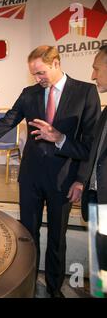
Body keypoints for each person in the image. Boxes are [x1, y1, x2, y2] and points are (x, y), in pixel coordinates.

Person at [0, 45, 101, 297]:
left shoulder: (85, 92)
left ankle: (55, 290)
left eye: (41, 73)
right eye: (34, 74)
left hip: (64, 180)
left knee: (57, 240)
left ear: (56, 63)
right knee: (28, 236)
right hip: (31, 177)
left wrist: (80, 179)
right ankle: (27, 285)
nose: (38, 79)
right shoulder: (29, 94)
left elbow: (90, 143)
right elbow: (6, 122)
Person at [68, 45, 107, 293]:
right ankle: (99, 291)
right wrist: (84, 181)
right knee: (101, 257)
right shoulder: (105, 113)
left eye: (96, 68)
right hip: (96, 198)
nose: (92, 75)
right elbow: (95, 153)